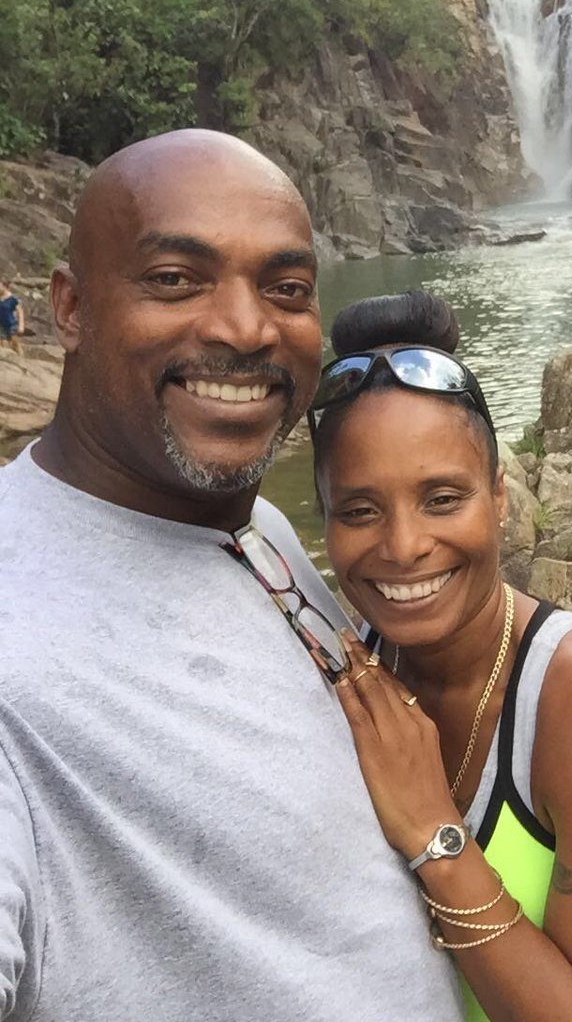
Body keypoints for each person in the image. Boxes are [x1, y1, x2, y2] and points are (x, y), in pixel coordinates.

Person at [0, 133, 463, 1021]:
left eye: (285, 290)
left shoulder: (251, 522)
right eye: (176, 279)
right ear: (68, 308)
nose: (247, 330)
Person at [309, 290, 572, 1022]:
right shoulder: (356, 669)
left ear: (499, 498)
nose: (403, 547)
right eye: (360, 511)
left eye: (442, 498)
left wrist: (435, 834)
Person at [0, 284, 24, 355]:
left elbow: (20, 312)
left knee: (15, 344)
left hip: (11, 324)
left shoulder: (14, 299)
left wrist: (21, 326)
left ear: (5, 287)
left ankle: (21, 358)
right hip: (1, 325)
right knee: (2, 343)